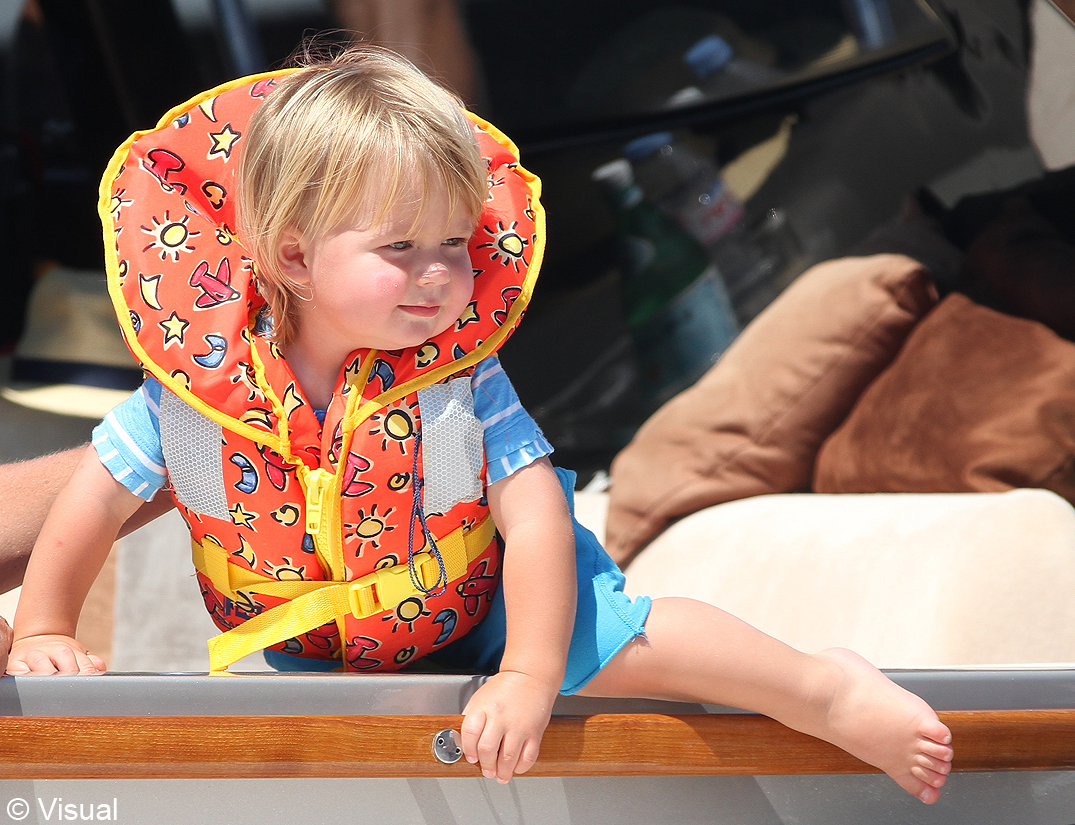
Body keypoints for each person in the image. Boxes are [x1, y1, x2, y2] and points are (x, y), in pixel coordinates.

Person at [6, 47, 953, 801]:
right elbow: (96, 492)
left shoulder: (457, 378)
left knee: (622, 648)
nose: (438, 275)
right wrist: (44, 623)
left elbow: (536, 516)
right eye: (401, 248)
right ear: (293, 254)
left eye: (456, 244)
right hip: (316, 643)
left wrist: (532, 674)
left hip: (494, 604)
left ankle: (824, 688)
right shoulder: (204, 385)